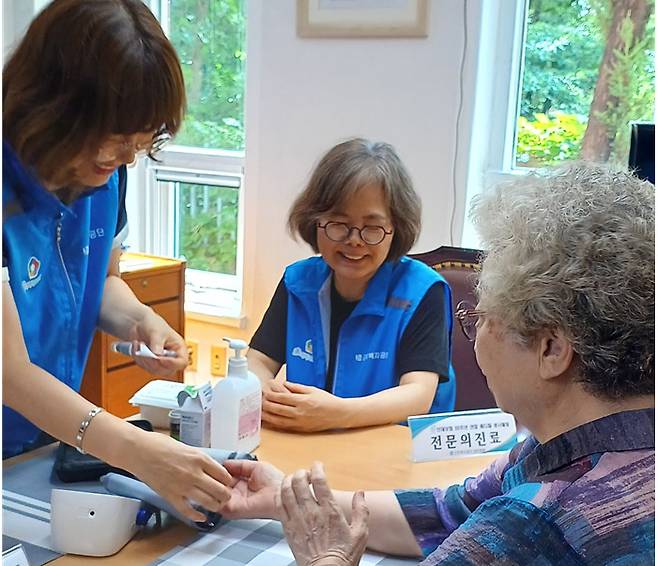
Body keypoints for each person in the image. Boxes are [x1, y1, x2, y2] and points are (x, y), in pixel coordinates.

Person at [221, 162, 655, 564]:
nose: (476, 334)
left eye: (481, 317)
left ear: (552, 350)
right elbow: (449, 511)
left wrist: (326, 556)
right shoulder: (548, 451)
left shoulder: (532, 521)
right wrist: (287, 497)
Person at [3, 0, 233, 522]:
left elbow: (101, 280)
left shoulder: (105, 175)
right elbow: (8, 371)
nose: (127, 158)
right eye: (116, 140)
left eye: (141, 141)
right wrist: (135, 450)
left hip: (37, 446)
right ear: (54, 106)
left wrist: (142, 321)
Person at [248, 138, 455, 432]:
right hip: (312, 445)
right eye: (339, 224)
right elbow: (257, 361)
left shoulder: (422, 291)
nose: (354, 240)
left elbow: (418, 395)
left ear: (395, 229)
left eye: (372, 227)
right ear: (315, 222)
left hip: (394, 453)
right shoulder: (298, 283)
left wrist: (337, 413)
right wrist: (263, 391)